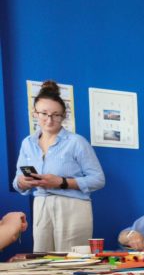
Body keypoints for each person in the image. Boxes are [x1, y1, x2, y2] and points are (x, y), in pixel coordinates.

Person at [13, 80, 105, 252]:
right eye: (44, 113)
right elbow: (17, 183)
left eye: (56, 114)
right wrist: (23, 182)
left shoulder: (77, 142)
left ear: (63, 116)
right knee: (42, 260)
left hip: (72, 206)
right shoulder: (27, 143)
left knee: (73, 262)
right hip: (41, 205)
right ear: (35, 114)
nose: (49, 119)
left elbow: (98, 179)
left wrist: (62, 182)